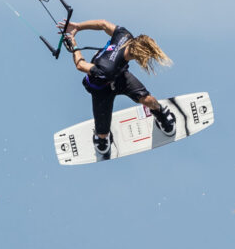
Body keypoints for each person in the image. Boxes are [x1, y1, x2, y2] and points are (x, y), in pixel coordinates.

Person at [63, 19, 176, 158]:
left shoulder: (125, 36)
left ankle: (160, 112)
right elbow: (81, 66)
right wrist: (74, 46)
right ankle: (103, 137)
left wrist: (78, 27)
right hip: (101, 89)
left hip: (121, 77)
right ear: (139, 55)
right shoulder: (107, 68)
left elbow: (103, 24)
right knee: (102, 136)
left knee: (149, 100)